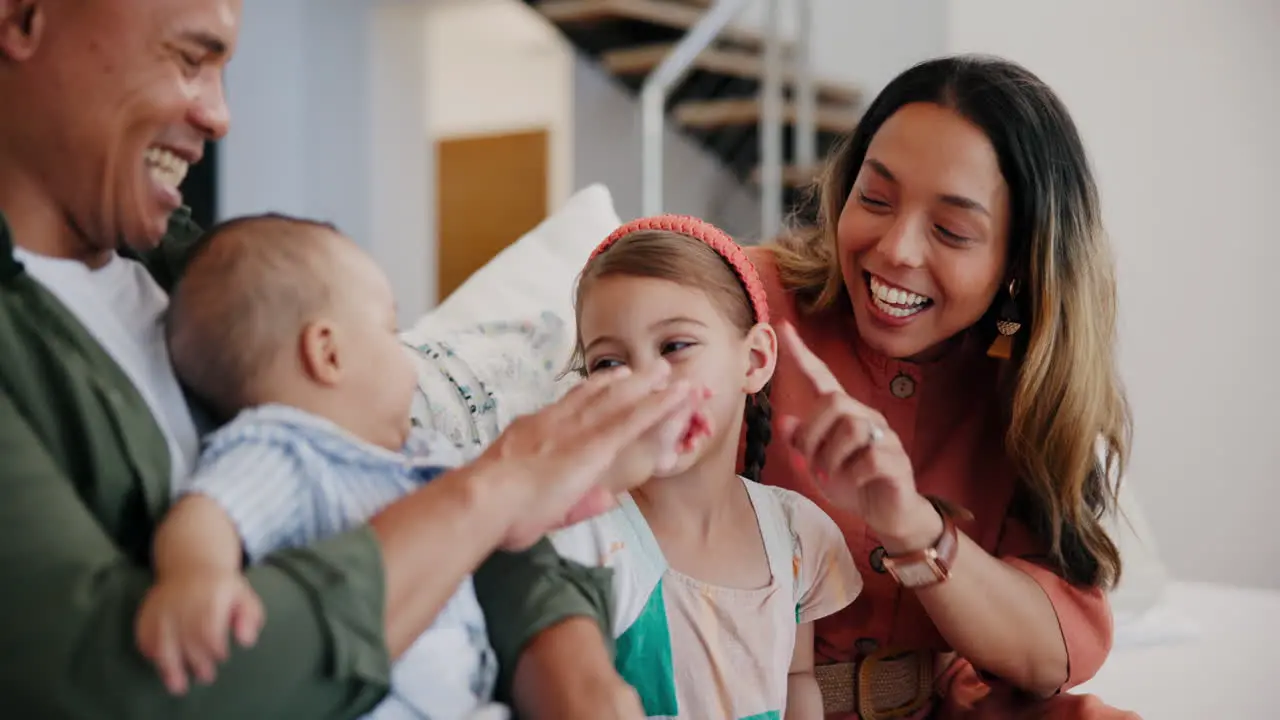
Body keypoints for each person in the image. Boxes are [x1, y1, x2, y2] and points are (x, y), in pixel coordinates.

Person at [0, 1, 693, 717]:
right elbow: (111, 688)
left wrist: (571, 667)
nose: (219, 115)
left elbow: (423, 475)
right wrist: (493, 489)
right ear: (22, 18)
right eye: (189, 59)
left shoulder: (195, 268)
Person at [135, 214, 704, 719]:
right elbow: (207, 511)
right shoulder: (283, 448)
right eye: (389, 330)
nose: (408, 356)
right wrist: (196, 577)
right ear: (328, 354)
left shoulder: (419, 455)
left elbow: (530, 505)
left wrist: (641, 450)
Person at [744, 55, 1138, 718]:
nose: (896, 249)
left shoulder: (1025, 386)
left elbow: (1051, 651)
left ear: (1019, 260)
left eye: (952, 231)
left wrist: (913, 528)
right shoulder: (746, 301)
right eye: (874, 198)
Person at [549, 215, 863, 720]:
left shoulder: (796, 535)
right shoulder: (591, 539)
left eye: (674, 347)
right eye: (609, 363)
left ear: (755, 359)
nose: (645, 381)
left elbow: (797, 678)